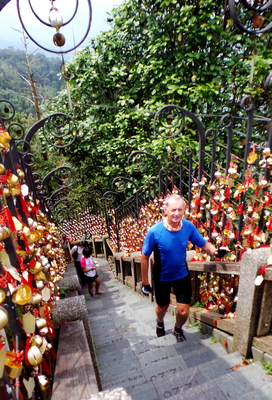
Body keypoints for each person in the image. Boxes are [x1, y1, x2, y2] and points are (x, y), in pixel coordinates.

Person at [141, 194, 220, 343]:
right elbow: (145, 256)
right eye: (173, 210)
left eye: (180, 210)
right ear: (165, 210)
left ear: (184, 210)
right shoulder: (154, 231)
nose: (176, 213)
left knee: (184, 311)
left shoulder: (188, 227)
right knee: (162, 307)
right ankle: (160, 322)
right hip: (161, 277)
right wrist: (145, 282)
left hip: (181, 275)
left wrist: (215, 251)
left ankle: (177, 329)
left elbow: (204, 244)